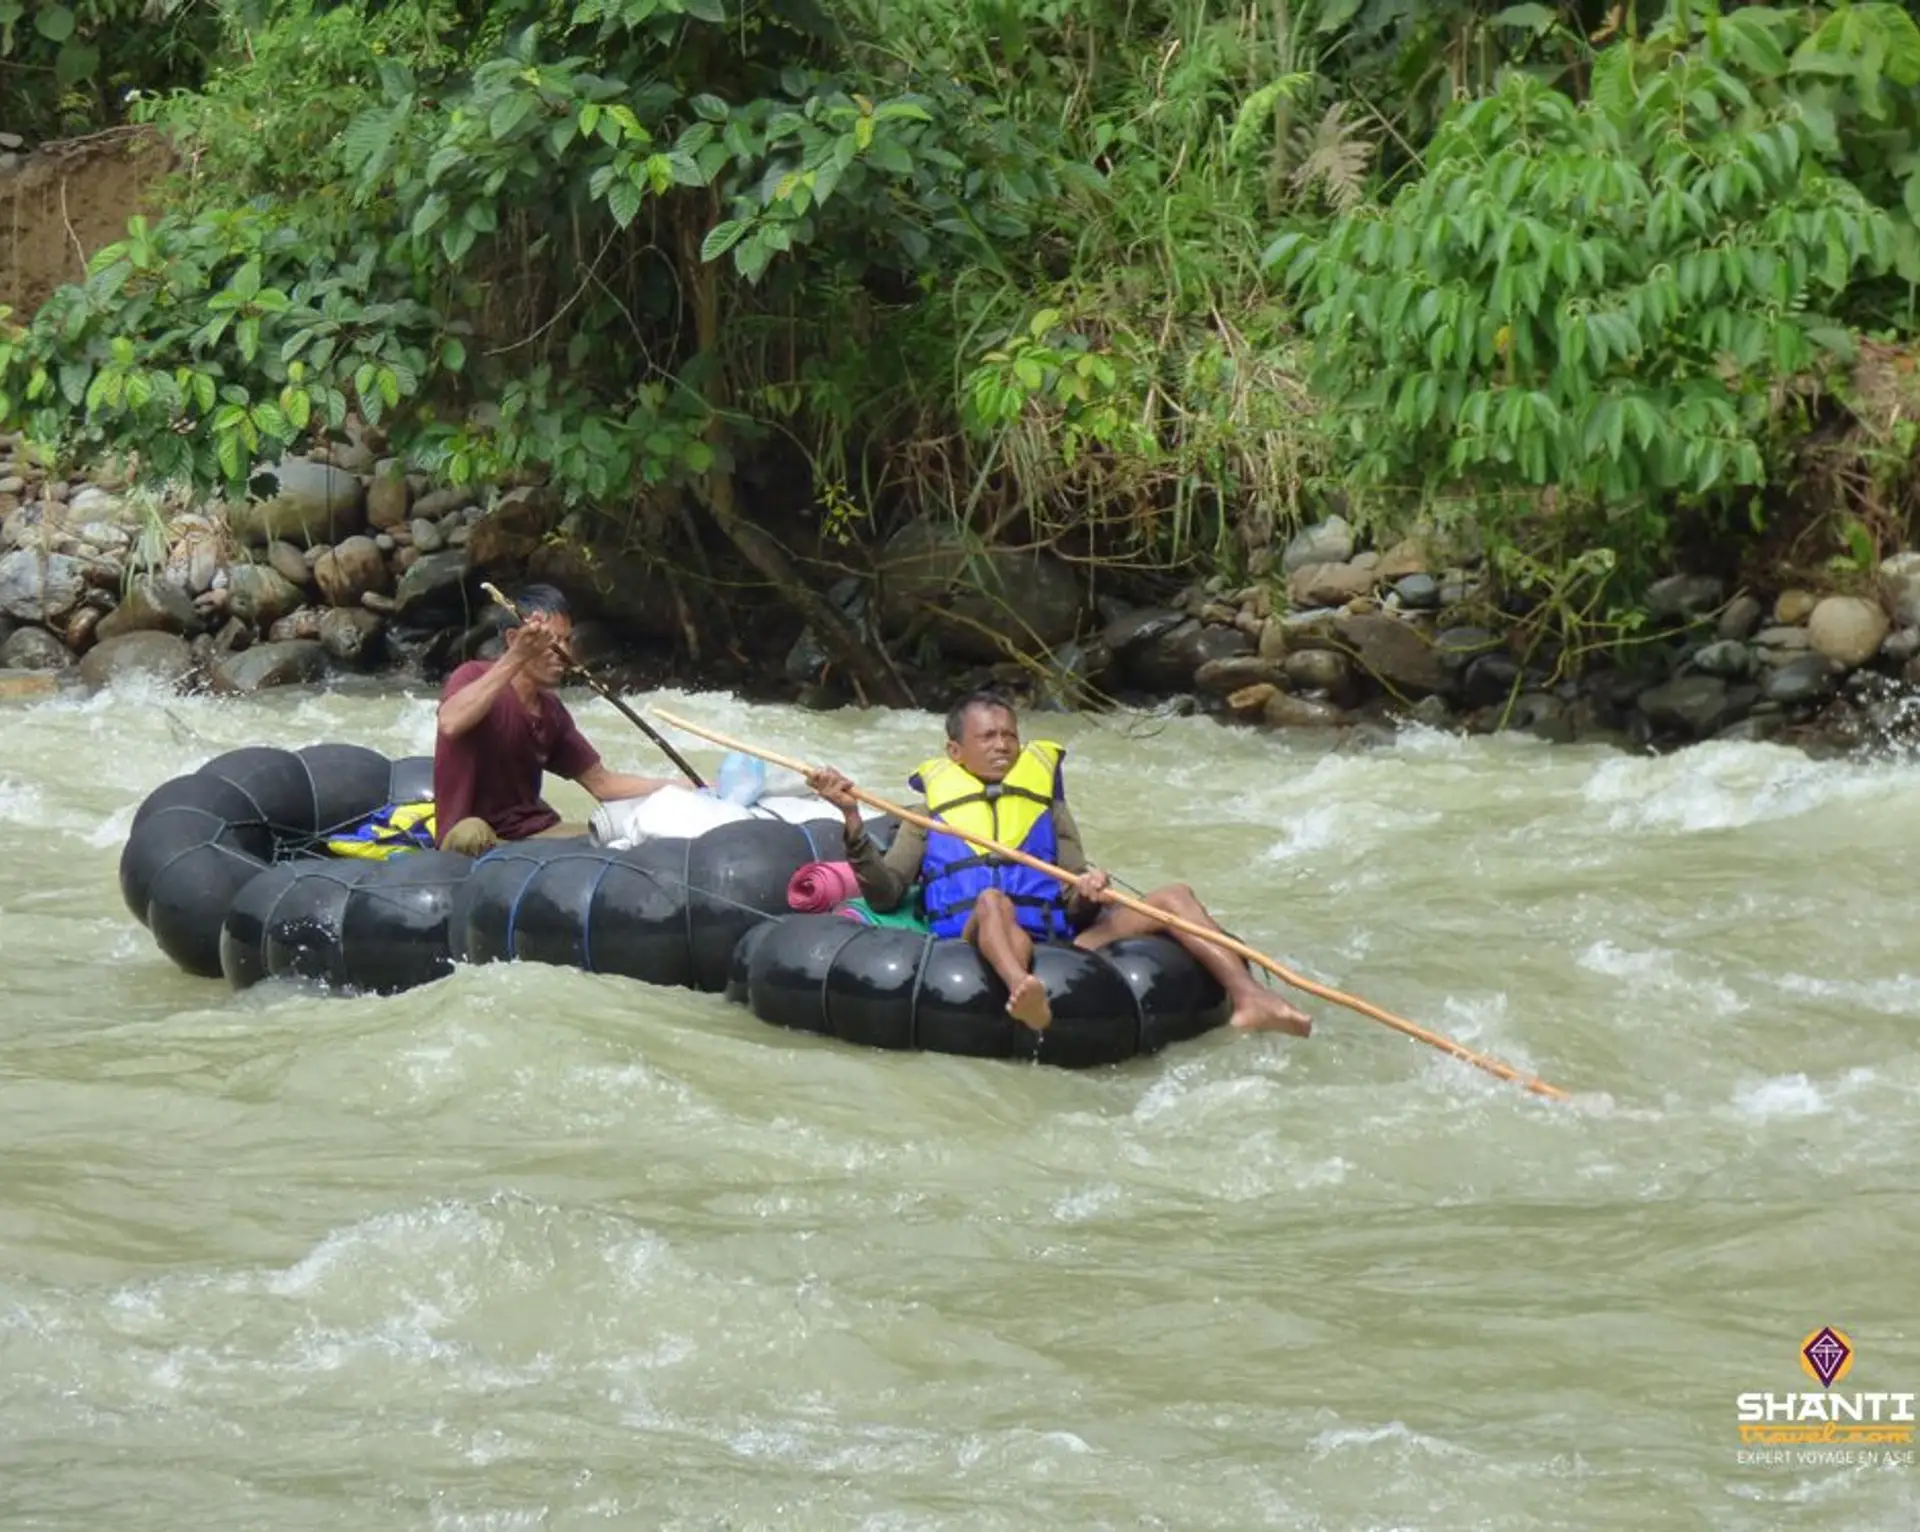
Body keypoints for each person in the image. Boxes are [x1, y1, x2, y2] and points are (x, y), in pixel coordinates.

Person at [804, 690, 1312, 1037]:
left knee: (1173, 896)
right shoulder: (927, 815)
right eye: (989, 737)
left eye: (1010, 735)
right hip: (974, 937)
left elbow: (1073, 898)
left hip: (1060, 941)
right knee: (991, 898)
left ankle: (1249, 999)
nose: (1003, 745)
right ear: (955, 751)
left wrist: (1089, 888)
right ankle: (1022, 991)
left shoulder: (1048, 806)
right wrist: (850, 816)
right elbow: (886, 893)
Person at [433, 584, 675, 855]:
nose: (565, 654)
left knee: (619, 838)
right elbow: (450, 723)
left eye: (566, 641)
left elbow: (602, 783)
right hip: (472, 836)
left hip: (532, 834)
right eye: (553, 641)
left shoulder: (551, 710)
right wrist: (516, 656)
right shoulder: (472, 676)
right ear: (514, 639)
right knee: (472, 833)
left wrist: (685, 787)